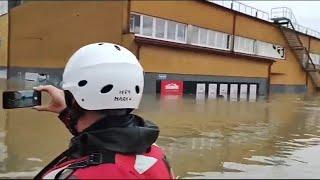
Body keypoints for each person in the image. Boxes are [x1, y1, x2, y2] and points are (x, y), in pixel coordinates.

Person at [33, 43, 174, 179]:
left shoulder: (82, 174)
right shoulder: (153, 151)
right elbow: (103, 137)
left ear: (72, 98)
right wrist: (67, 112)